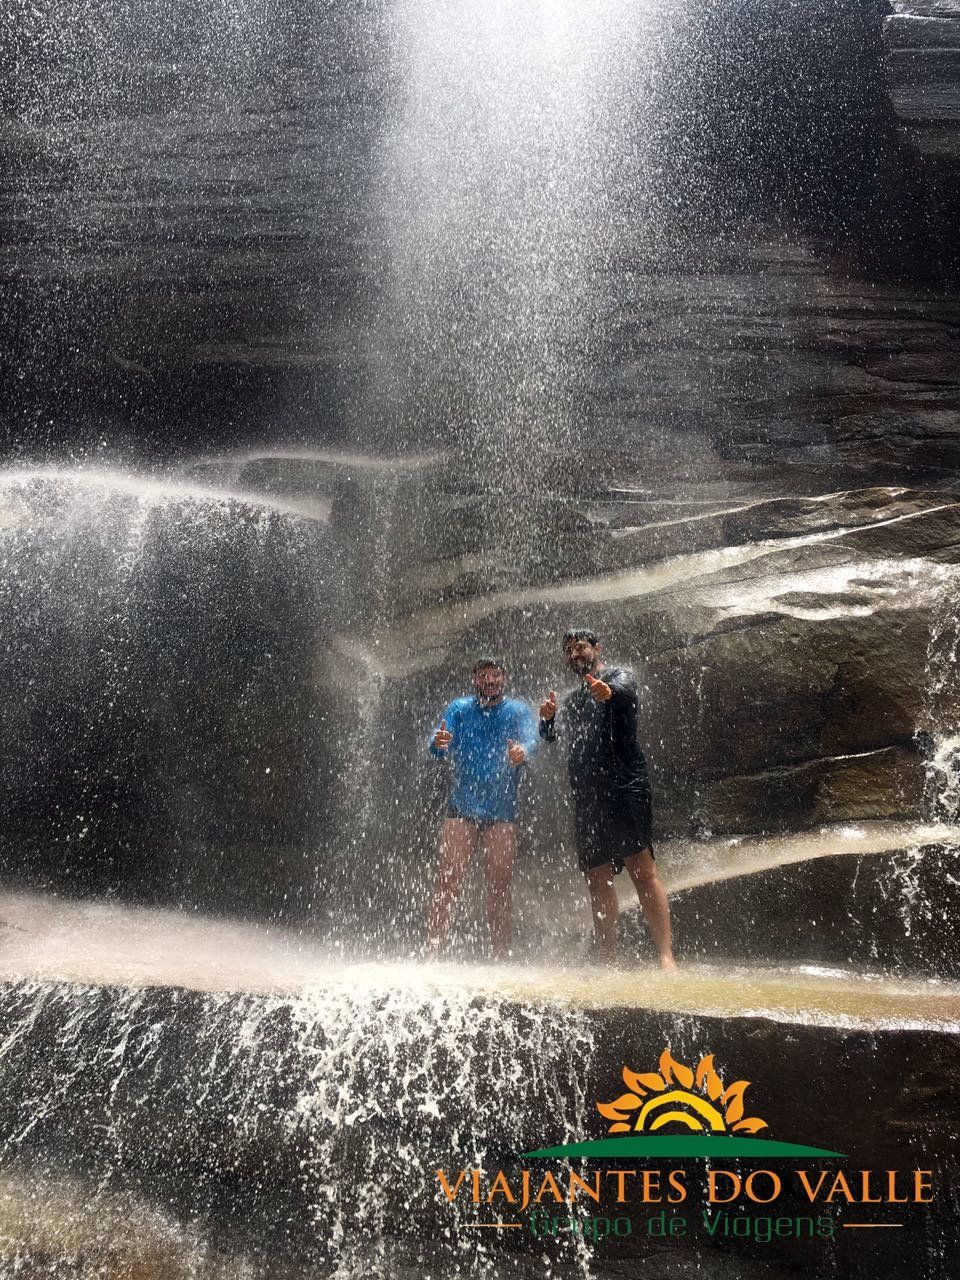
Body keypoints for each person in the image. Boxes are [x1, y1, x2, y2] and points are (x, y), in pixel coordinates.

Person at [539, 628, 677, 969]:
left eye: (580, 647)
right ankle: (607, 958)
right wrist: (547, 722)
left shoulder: (618, 676)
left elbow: (623, 692)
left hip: (624, 788)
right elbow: (553, 739)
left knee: (642, 870)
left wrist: (608, 692)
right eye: (569, 650)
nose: (575, 654)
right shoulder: (572, 701)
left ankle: (666, 956)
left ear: (597, 649)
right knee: (597, 879)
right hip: (588, 797)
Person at [426, 658, 538, 959]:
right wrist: (438, 743)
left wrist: (523, 751)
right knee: (447, 881)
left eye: (495, 674)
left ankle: (501, 958)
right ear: (475, 679)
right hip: (462, 807)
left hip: (502, 812)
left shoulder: (517, 711)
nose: (490, 680)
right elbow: (438, 743)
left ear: (504, 677)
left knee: (499, 888)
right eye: (484, 675)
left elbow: (532, 741)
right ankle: (432, 954)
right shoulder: (460, 709)